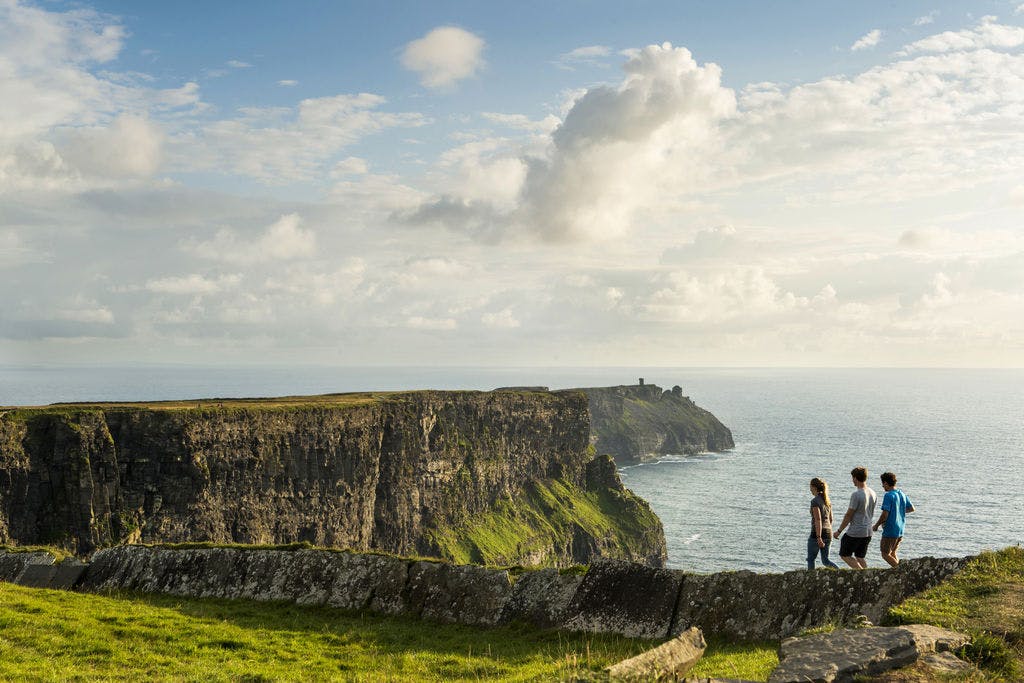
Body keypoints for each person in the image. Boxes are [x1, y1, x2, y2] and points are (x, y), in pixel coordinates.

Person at [834, 466, 877, 569]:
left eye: (852, 478)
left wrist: (839, 531)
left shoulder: (856, 494)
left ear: (855, 478)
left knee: (844, 554)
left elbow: (849, 515)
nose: (852, 480)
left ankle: (861, 574)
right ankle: (868, 576)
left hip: (856, 531)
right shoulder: (873, 493)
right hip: (868, 531)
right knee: (860, 556)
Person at [873, 471, 915, 567]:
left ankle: (902, 573)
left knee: (885, 554)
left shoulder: (889, 495)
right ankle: (901, 570)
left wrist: (876, 525)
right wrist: (898, 512)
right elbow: (911, 508)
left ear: (886, 483)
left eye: (882, 484)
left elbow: (885, 514)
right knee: (892, 553)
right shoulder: (901, 494)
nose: (882, 486)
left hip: (890, 530)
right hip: (900, 529)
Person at [807, 477, 839, 569]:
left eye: (810, 487)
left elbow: (818, 520)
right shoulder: (827, 501)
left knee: (811, 559)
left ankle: (810, 580)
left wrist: (819, 537)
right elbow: (830, 519)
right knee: (825, 561)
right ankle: (839, 572)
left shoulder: (815, 501)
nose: (810, 489)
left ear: (814, 487)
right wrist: (827, 532)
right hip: (828, 532)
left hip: (817, 533)